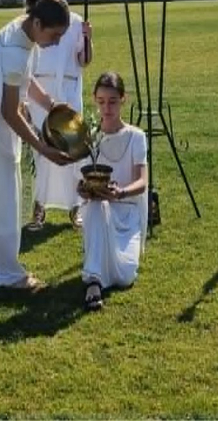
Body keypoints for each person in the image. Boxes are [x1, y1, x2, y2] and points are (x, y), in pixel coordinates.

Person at [0, 0, 75, 289]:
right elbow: (9, 111)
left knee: (0, 191)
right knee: (0, 195)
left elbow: (25, 79)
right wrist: (42, 148)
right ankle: (3, 272)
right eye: (54, 34)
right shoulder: (15, 50)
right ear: (37, 23)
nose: (57, 42)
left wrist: (50, 104)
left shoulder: (25, 30)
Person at [25, 0, 93, 232]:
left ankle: (76, 207)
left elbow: (84, 60)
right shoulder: (36, 22)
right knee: (42, 150)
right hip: (41, 90)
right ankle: (39, 206)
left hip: (69, 90)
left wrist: (88, 37)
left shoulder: (75, 22)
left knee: (72, 148)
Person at [77, 72, 147, 311]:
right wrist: (84, 190)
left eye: (112, 101)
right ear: (94, 100)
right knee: (98, 205)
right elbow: (83, 180)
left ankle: (102, 267)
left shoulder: (136, 136)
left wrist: (121, 193)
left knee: (125, 277)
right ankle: (93, 282)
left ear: (123, 99)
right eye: (101, 102)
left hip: (126, 211)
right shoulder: (91, 138)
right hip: (99, 210)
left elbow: (142, 182)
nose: (106, 108)